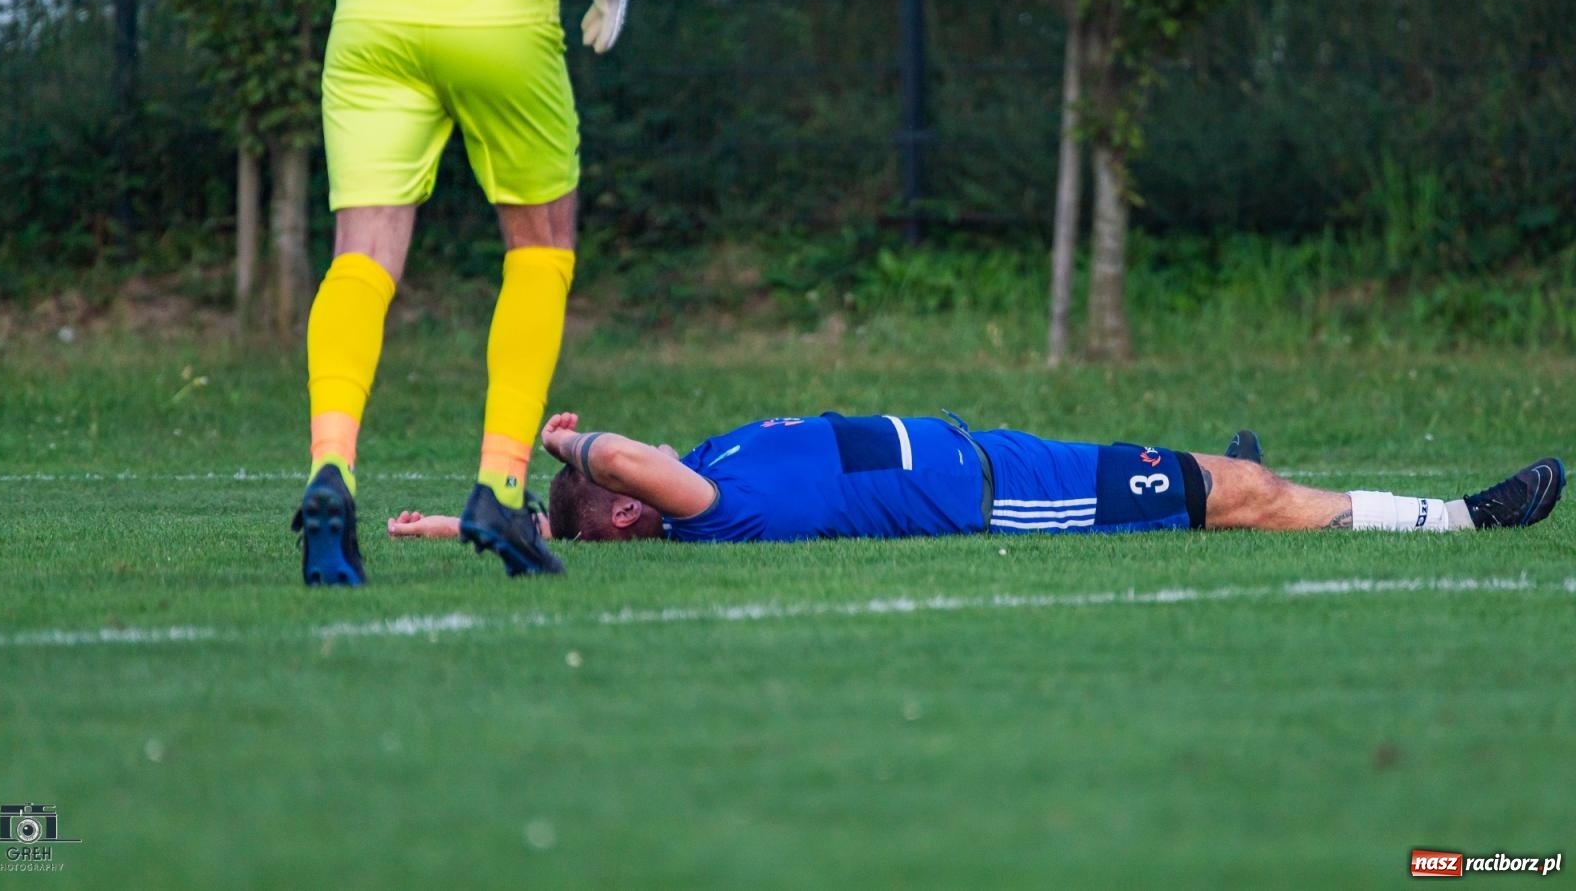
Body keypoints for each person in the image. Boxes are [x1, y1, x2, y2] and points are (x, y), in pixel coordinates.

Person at [281, 0, 631, 584]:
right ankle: (502, 488)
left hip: (376, 18)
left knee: (360, 260)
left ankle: (330, 468)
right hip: (497, 15)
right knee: (540, 249)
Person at [385, 412, 1565, 548]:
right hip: (1005, 494)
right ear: (635, 504)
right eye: (621, 469)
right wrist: (565, 445)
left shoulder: (700, 467)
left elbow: (579, 512)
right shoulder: (704, 505)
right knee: (1235, 495)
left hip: (1002, 449)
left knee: (1207, 474)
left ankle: (1222, 476)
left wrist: (459, 520)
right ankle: (1465, 514)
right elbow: (619, 475)